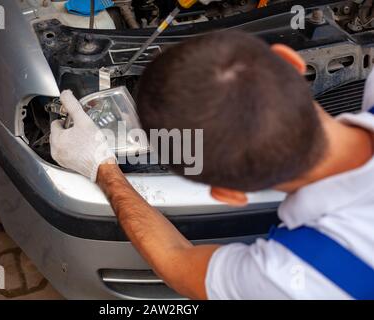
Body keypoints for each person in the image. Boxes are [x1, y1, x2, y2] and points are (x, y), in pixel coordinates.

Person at [50, 30, 374, 299]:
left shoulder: (293, 279)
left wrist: (102, 168)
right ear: (290, 61)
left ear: (229, 194)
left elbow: (177, 261)